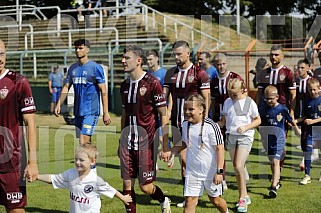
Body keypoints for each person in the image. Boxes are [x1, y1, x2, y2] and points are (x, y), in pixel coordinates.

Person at [119, 45, 171, 213]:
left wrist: (165, 144)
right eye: (123, 58)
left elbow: (163, 114)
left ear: (139, 61)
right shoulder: (124, 85)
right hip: (128, 143)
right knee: (127, 184)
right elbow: (124, 114)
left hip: (146, 143)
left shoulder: (153, 83)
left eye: (127, 58)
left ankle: (163, 200)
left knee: (146, 188)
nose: (123, 61)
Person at [163, 40, 210, 208]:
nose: (176, 57)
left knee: (197, 159)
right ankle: (189, 196)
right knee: (185, 161)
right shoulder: (170, 74)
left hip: (195, 123)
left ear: (188, 54)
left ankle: (213, 183)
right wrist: (166, 114)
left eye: (179, 54)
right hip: (177, 123)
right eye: (174, 54)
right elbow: (167, 97)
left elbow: (206, 98)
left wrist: (204, 120)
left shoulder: (199, 73)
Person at [161, 94, 228, 213]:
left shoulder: (211, 126)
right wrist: (171, 152)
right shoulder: (185, 124)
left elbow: (220, 149)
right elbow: (184, 142)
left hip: (210, 172)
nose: (187, 112)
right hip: (192, 172)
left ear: (201, 109)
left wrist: (219, 172)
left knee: (215, 201)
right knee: (189, 202)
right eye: (185, 109)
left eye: (191, 109)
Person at [0, 39, 38, 212]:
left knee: (15, 209)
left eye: (2, 53)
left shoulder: (18, 82)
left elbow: (30, 123)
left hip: (11, 162)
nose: (0, 58)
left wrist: (32, 161)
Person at [38, 143, 132, 212]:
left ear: (92, 162)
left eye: (81, 160)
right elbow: (53, 178)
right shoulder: (70, 174)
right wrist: (37, 176)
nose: (78, 162)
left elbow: (110, 189)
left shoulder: (96, 181)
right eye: (76, 159)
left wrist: (123, 198)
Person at [55, 39, 111, 144]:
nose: (77, 50)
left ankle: (88, 159)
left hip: (91, 111)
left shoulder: (95, 68)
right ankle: (92, 159)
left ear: (87, 50)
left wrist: (106, 113)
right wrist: (58, 104)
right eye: (76, 48)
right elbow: (66, 87)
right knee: (85, 142)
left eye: (80, 48)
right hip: (78, 112)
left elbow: (103, 90)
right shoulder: (72, 68)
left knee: (83, 140)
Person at [217, 78, 261, 212]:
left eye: (234, 94)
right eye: (230, 94)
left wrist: (246, 127)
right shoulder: (227, 102)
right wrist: (210, 126)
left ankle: (242, 198)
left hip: (245, 136)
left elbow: (258, 120)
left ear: (242, 89)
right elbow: (223, 122)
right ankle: (245, 195)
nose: (232, 96)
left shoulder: (249, 102)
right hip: (231, 136)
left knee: (238, 165)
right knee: (237, 168)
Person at [256, 45, 296, 169]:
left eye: (276, 54)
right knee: (268, 144)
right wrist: (257, 110)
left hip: (280, 113)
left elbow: (293, 94)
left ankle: (277, 171)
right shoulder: (264, 73)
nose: (273, 57)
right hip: (265, 113)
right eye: (272, 54)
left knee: (280, 144)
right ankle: (275, 168)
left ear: (282, 56)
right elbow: (259, 93)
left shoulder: (288, 73)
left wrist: (291, 113)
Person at [210, 52, 247, 190]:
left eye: (223, 63)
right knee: (219, 149)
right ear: (214, 65)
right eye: (218, 64)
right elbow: (212, 101)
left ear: (227, 63)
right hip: (220, 119)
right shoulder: (213, 80)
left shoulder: (235, 78)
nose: (221, 66)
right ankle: (222, 178)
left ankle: (243, 169)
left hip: (234, 119)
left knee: (236, 149)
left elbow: (245, 96)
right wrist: (212, 117)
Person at [259, 85, 300, 198]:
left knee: (276, 161)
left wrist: (297, 130)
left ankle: (273, 187)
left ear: (277, 97)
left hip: (279, 138)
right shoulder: (263, 109)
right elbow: (259, 122)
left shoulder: (282, 109)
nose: (269, 101)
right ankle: (276, 180)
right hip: (268, 139)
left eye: (271, 98)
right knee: (273, 161)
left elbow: (291, 120)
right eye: (267, 98)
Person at [146, 49, 174, 168]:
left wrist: (169, 110)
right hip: (151, 112)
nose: (148, 62)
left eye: (150, 59)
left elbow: (170, 94)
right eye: (147, 60)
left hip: (162, 111)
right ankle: (154, 162)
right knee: (152, 136)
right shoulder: (146, 74)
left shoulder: (164, 73)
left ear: (157, 58)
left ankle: (170, 152)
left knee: (163, 136)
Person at [294, 59, 319, 171]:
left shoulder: (312, 81)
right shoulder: (295, 81)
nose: (300, 70)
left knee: (308, 136)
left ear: (308, 68)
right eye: (298, 67)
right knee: (303, 137)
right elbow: (293, 97)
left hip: (314, 115)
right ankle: (311, 156)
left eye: (302, 67)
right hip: (302, 112)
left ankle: (309, 157)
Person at [296, 78, 321, 185]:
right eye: (310, 90)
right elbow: (306, 116)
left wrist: (312, 121)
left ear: (319, 88)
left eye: (314, 89)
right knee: (307, 151)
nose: (312, 92)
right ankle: (307, 175)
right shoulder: (306, 101)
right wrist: (296, 121)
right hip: (310, 130)